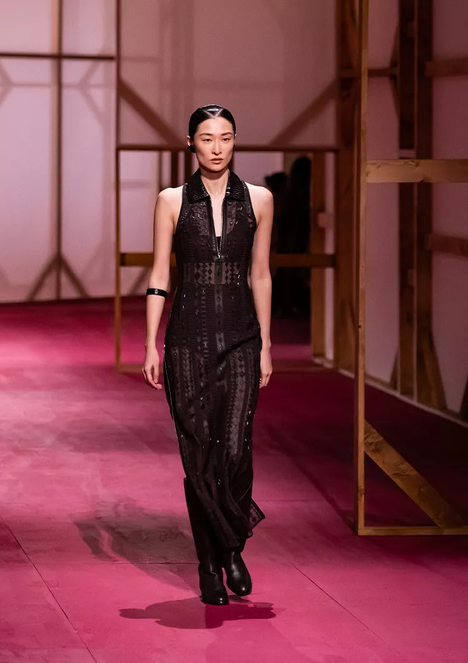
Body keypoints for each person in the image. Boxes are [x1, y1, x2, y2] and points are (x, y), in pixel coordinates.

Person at [141, 105, 274, 605]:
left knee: (235, 448)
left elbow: (260, 274)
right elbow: (160, 273)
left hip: (241, 339)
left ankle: (231, 544)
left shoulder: (259, 199)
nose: (217, 148)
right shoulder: (171, 200)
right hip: (187, 341)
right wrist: (150, 342)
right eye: (207, 138)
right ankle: (209, 565)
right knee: (199, 454)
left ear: (235, 141)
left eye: (226, 138)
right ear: (191, 143)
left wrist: (266, 345)